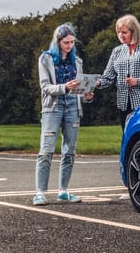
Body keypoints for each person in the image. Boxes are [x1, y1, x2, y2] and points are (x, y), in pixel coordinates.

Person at [33, 22, 94, 206]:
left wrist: (87, 95)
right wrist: (64, 87)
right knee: (46, 150)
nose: (70, 46)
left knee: (69, 151)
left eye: (72, 42)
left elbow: (80, 89)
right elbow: (44, 87)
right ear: (58, 41)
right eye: (66, 42)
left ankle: (63, 191)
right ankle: (40, 193)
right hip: (53, 106)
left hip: (72, 106)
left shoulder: (77, 61)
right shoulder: (46, 59)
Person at [96, 14, 140, 128]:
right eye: (118, 32)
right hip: (124, 104)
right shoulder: (117, 51)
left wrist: (138, 81)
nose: (120, 35)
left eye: (124, 32)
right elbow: (107, 77)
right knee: (128, 137)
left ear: (134, 32)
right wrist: (97, 83)